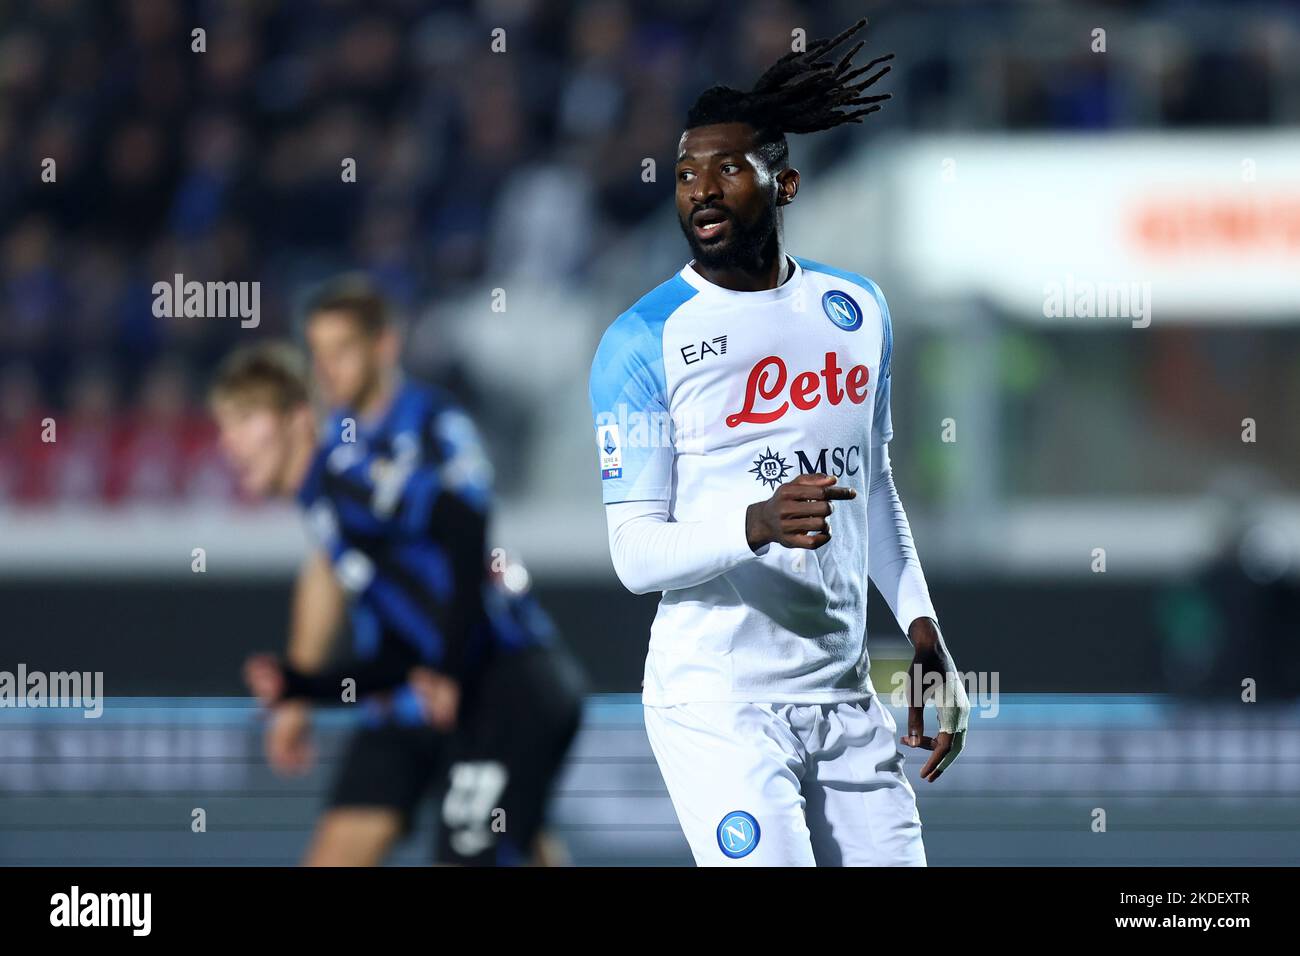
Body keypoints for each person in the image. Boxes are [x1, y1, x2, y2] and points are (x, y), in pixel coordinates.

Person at [588, 18, 968, 866]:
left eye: (729, 169)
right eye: (687, 174)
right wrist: (753, 522)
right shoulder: (643, 339)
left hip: (841, 694)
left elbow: (872, 486)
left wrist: (922, 629)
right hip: (717, 701)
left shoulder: (858, 310)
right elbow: (634, 554)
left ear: (786, 183)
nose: (703, 192)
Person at [212, 281, 584, 866]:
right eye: (318, 352)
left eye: (240, 422)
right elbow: (370, 612)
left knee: (491, 841)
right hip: (421, 692)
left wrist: (443, 666)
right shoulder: (331, 475)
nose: (226, 443)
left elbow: (466, 523)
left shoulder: (376, 454)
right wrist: (301, 687)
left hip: (493, 678)